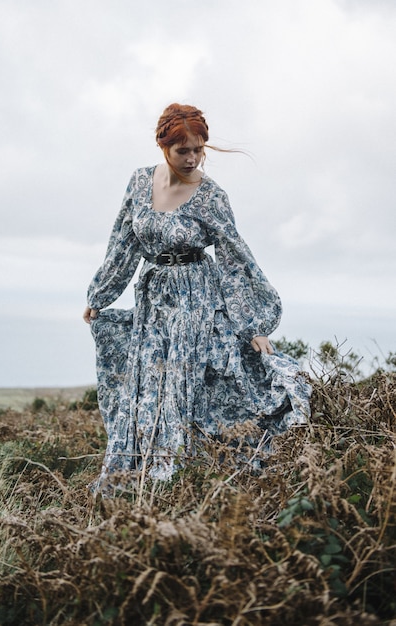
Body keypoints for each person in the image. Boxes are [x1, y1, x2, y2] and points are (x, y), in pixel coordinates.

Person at [83, 103, 311, 495]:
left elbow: (234, 256)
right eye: (182, 150)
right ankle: (140, 480)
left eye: (198, 149)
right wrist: (100, 293)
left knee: (182, 385)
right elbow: (123, 242)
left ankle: (179, 479)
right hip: (154, 296)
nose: (191, 158)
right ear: (162, 146)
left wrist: (253, 325)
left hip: (196, 296)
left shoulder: (211, 197)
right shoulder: (139, 182)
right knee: (149, 385)